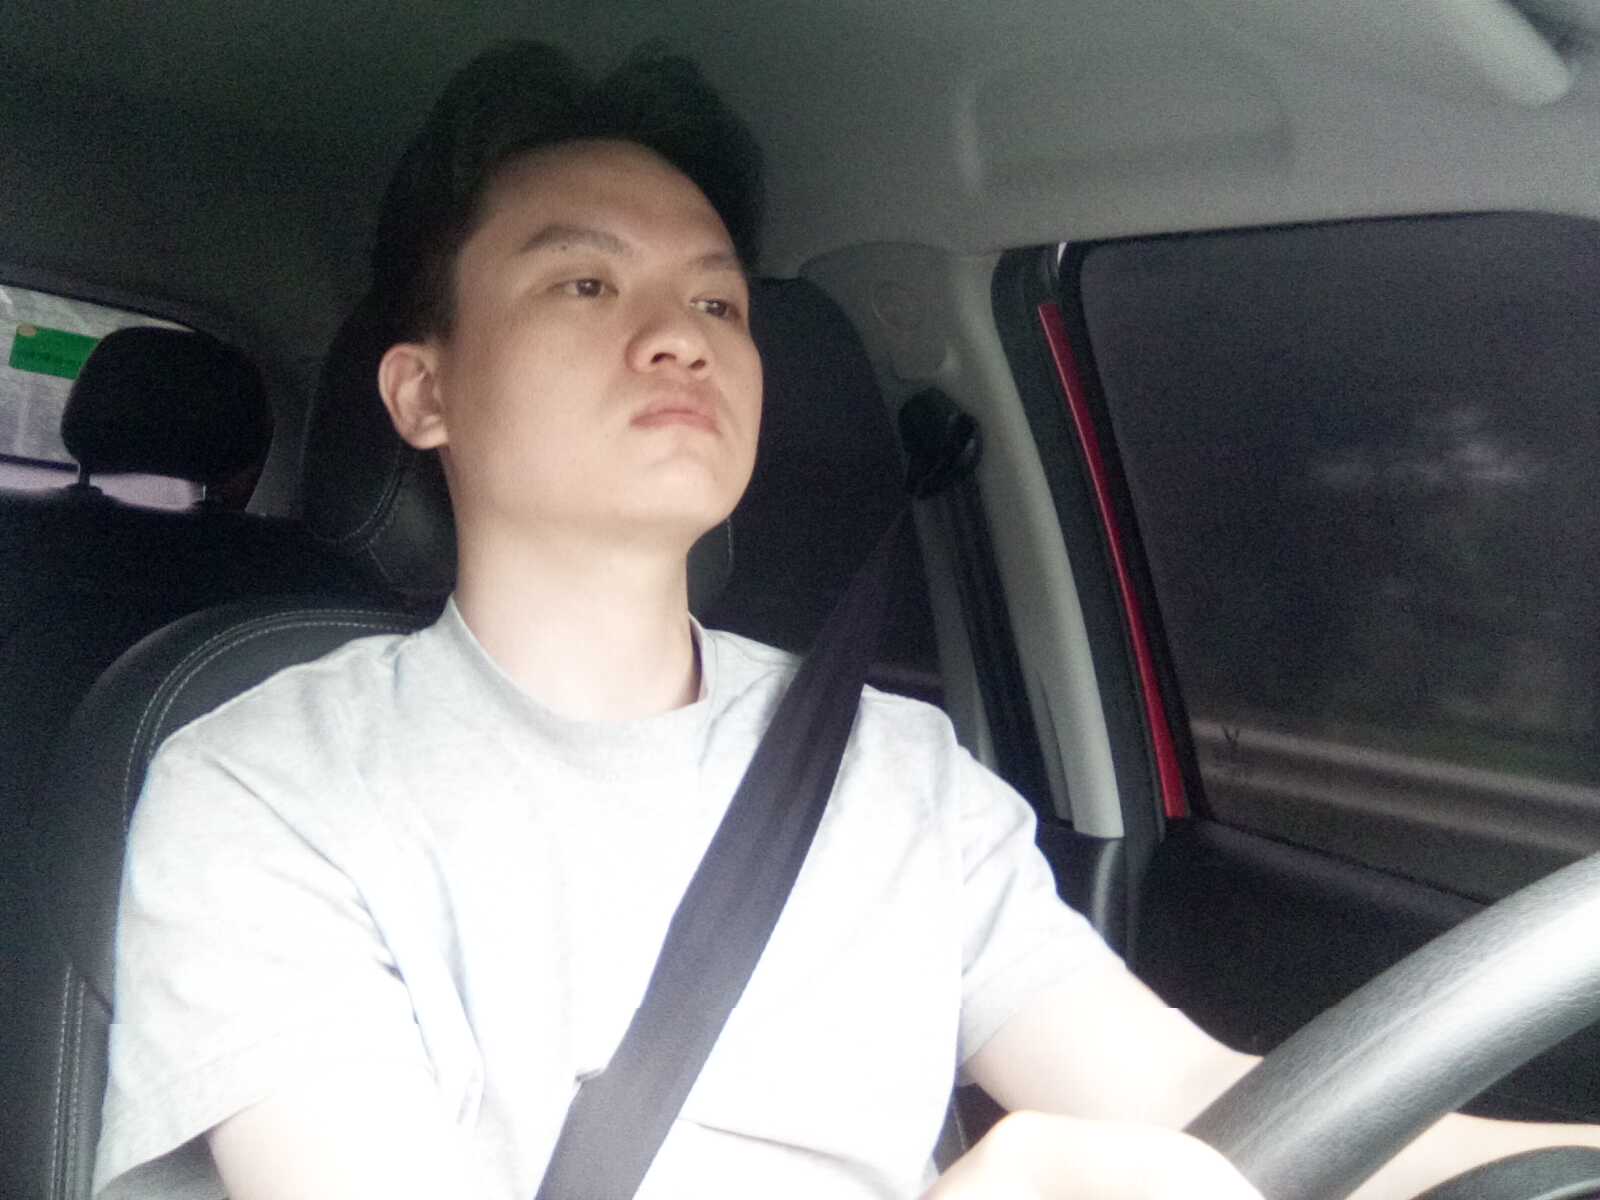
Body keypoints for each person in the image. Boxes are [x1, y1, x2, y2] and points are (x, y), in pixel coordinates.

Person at [93, 42, 1600, 1200]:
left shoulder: (896, 770)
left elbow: (1194, 1100)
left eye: (720, 302)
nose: (678, 335)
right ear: (424, 393)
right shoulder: (262, 782)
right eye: (584, 281)